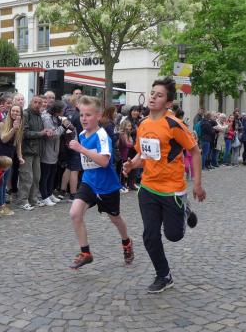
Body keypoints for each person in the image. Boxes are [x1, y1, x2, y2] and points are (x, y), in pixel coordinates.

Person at [123, 77, 206, 293]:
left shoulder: (174, 125)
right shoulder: (143, 124)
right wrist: (131, 165)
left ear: (168, 103)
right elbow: (142, 154)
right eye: (152, 93)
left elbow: (195, 151)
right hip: (148, 187)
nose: (153, 97)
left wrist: (197, 184)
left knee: (174, 235)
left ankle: (184, 209)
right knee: (150, 235)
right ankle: (164, 275)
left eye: (159, 95)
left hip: (172, 189)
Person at [67, 96, 134, 270]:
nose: (84, 119)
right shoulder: (82, 134)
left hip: (107, 186)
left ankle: (126, 242)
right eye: (82, 114)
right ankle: (86, 253)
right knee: (75, 213)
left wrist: (81, 149)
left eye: (88, 115)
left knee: (115, 218)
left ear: (98, 116)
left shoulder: (102, 135)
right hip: (89, 182)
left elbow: (104, 161)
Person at [0, 104, 24, 216]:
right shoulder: (3, 123)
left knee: (4, 183)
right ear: (9, 112)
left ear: (20, 114)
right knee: (0, 183)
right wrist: (13, 129)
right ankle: (0, 206)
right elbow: (4, 139)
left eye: (17, 111)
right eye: (13, 111)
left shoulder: (20, 125)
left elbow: (18, 143)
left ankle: (1, 205)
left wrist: (20, 157)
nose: (15, 113)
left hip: (9, 158)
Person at [18, 96, 49, 210]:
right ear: (31, 102)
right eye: (35, 102)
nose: (37, 104)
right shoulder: (26, 114)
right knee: (26, 177)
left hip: (37, 150)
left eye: (39, 103)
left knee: (36, 177)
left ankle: (33, 199)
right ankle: (23, 200)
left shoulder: (38, 115)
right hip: (27, 150)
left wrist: (46, 133)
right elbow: (24, 133)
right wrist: (41, 133)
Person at [40, 100, 69, 205]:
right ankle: (44, 196)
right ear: (57, 110)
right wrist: (63, 127)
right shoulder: (47, 118)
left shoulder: (55, 117)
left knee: (52, 173)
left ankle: (50, 193)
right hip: (47, 149)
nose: (64, 111)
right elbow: (52, 135)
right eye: (63, 110)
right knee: (46, 174)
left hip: (54, 150)